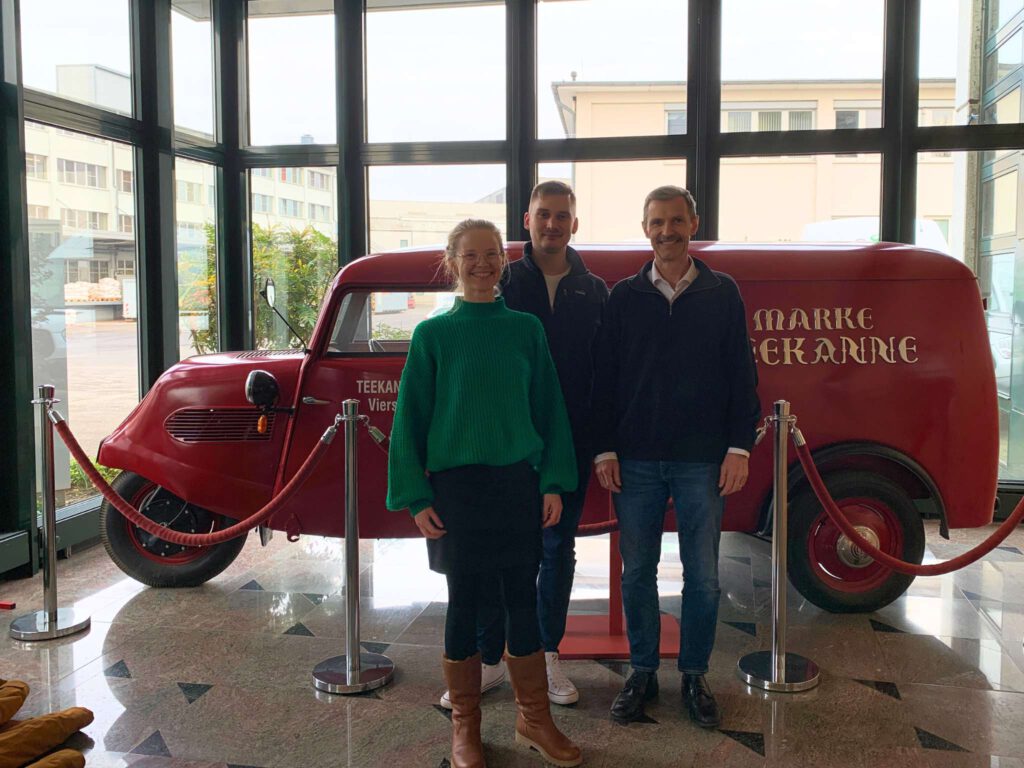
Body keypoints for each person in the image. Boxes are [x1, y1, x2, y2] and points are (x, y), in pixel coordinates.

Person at [387, 219, 583, 768]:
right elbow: (411, 420)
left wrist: (552, 481)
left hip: (516, 484)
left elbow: (550, 409)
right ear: (452, 261)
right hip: (456, 491)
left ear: (504, 260)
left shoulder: (525, 330)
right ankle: (465, 729)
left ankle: (534, 720)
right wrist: (415, 495)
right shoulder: (433, 335)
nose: (482, 264)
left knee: (523, 600)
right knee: (464, 604)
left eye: (492, 254)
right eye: (470, 255)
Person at [591, 186, 760, 727]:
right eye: (657, 222)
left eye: (676, 221)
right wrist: (605, 448)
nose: (667, 231)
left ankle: (693, 674)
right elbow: (605, 380)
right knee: (636, 572)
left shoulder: (722, 292)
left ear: (694, 223)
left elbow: (742, 374)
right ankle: (642, 671)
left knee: (704, 576)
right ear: (645, 228)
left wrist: (739, 447)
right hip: (635, 460)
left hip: (702, 461)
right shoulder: (623, 296)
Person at [438, 181, 609, 711]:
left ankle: (546, 652)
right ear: (527, 220)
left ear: (574, 224)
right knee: (494, 555)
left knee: (557, 550)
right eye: (543, 215)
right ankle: (492, 657)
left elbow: (607, 375)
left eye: (562, 216)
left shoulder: (595, 289)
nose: (552, 224)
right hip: (505, 447)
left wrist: (602, 445)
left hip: (567, 442)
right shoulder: (503, 281)